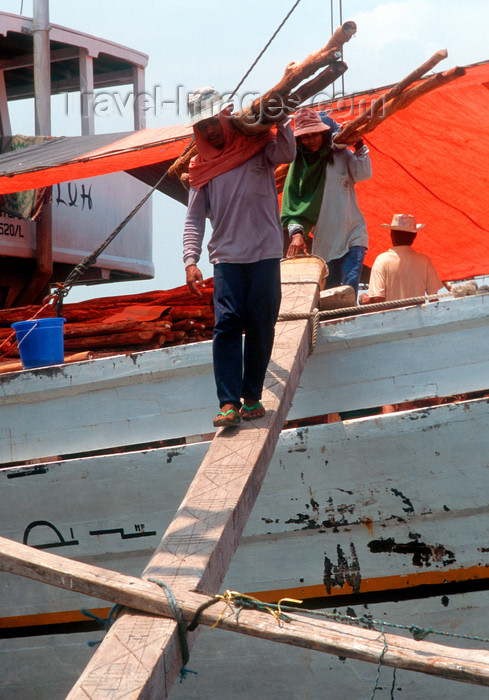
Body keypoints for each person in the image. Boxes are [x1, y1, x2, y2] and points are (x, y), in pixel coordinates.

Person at [183, 86, 296, 428]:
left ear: (225, 116)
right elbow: (193, 217)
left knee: (261, 325)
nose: (211, 131)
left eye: (213, 122)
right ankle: (228, 402)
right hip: (227, 260)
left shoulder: (257, 146)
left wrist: (282, 119)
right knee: (227, 326)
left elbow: (288, 152)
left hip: (264, 254)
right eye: (202, 127)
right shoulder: (200, 167)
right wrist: (191, 259)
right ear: (196, 131)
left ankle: (251, 397)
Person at [281, 107, 372, 297]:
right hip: (326, 241)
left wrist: (359, 145)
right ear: (299, 140)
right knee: (329, 294)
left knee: (349, 285)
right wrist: (297, 234)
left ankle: (349, 320)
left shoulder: (341, 155)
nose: (312, 139)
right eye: (306, 136)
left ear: (324, 134)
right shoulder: (299, 167)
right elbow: (292, 205)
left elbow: (363, 174)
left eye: (316, 134)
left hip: (353, 233)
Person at [360, 213, 443, 303]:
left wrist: (364, 300)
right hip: (418, 316)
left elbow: (378, 299)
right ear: (414, 236)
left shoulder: (382, 260)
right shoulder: (424, 260)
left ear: (391, 235)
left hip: (391, 316)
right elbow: (433, 298)